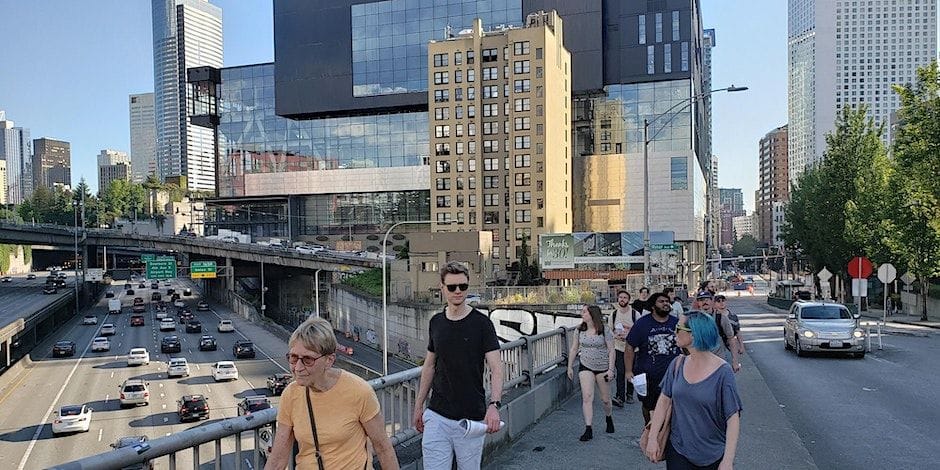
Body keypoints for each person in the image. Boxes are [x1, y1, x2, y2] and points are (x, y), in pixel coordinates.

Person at [265, 317, 399, 470]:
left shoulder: (358, 391)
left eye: (308, 360)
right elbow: (278, 458)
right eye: (293, 358)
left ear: (329, 360)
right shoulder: (291, 395)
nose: (298, 368)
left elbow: (383, 448)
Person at [413, 262, 504, 470]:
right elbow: (429, 366)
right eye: (452, 287)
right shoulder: (436, 322)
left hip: (470, 419)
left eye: (462, 286)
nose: (458, 292)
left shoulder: (482, 324)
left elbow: (497, 368)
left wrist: (494, 405)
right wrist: (419, 406)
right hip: (437, 415)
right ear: (442, 287)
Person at [644, 311, 742, 469]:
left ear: (694, 335)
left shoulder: (723, 372)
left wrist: (728, 460)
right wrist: (652, 438)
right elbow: (663, 401)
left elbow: (733, 418)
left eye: (678, 328)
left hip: (713, 454)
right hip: (678, 450)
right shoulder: (677, 364)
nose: (674, 331)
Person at [625, 292, 681, 424]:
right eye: (661, 301)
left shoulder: (676, 323)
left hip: (672, 375)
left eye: (667, 301)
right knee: (648, 406)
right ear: (653, 306)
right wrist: (628, 371)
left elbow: (686, 347)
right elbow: (629, 347)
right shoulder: (642, 324)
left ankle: (666, 434)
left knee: (671, 407)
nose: (666, 303)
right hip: (647, 375)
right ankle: (648, 428)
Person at [567, 304, 616, 441]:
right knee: (587, 396)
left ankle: (608, 417)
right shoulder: (579, 330)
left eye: (584, 312)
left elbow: (611, 350)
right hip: (586, 366)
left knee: (606, 400)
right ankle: (588, 428)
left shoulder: (604, 330)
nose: (582, 314)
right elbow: (574, 348)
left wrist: (611, 369)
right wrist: (570, 366)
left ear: (592, 315)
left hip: (603, 367)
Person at [699, 292, 741, 373]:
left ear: (712, 301)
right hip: (702, 362)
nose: (705, 302)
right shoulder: (694, 319)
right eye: (701, 300)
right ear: (698, 303)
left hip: (719, 361)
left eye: (707, 299)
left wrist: (735, 361)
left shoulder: (721, 318)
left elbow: (731, 339)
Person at [609, 290, 638, 407]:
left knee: (631, 371)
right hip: (618, 347)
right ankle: (620, 396)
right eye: (620, 297)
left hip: (632, 348)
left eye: (625, 297)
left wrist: (629, 335)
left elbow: (639, 330)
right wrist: (615, 335)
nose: (622, 299)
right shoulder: (614, 314)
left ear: (629, 300)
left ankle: (630, 394)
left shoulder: (635, 314)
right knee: (620, 371)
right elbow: (609, 330)